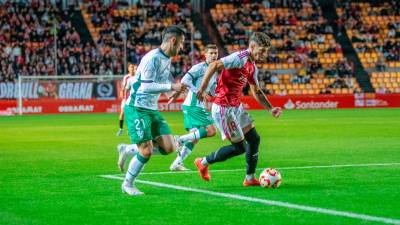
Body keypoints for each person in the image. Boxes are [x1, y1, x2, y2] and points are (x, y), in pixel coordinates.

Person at [194, 32, 282, 186]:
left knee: (254, 139)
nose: (264, 54)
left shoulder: (252, 66)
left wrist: (270, 108)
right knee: (239, 147)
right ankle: (203, 162)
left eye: (266, 51)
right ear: (252, 47)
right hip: (223, 108)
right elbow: (214, 65)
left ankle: (249, 179)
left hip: (236, 107)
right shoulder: (240, 57)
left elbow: (256, 90)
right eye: (262, 51)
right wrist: (202, 88)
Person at [119, 26, 187, 196]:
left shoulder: (167, 59)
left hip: (151, 108)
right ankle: (128, 184)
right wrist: (171, 86)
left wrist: (172, 93)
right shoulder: (152, 59)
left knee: (169, 148)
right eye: (180, 44)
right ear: (173, 40)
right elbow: (146, 86)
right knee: (147, 151)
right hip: (137, 107)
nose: (181, 48)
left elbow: (161, 82)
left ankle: (128, 149)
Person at [169, 44, 219, 171]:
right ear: (205, 55)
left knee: (195, 138)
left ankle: (177, 163)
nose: (214, 55)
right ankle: (179, 139)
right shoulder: (200, 67)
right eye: (211, 53)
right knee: (212, 130)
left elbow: (212, 90)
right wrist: (198, 91)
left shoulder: (214, 71)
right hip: (193, 104)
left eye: (215, 53)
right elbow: (185, 80)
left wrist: (215, 94)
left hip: (192, 105)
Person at [116, 63, 136, 136]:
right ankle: (120, 129)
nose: (132, 69)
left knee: (132, 114)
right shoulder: (126, 77)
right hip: (126, 98)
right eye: (131, 67)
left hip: (134, 99)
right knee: (122, 113)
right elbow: (123, 87)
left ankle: (130, 129)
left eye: (133, 67)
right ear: (128, 69)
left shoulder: (137, 77)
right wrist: (122, 93)